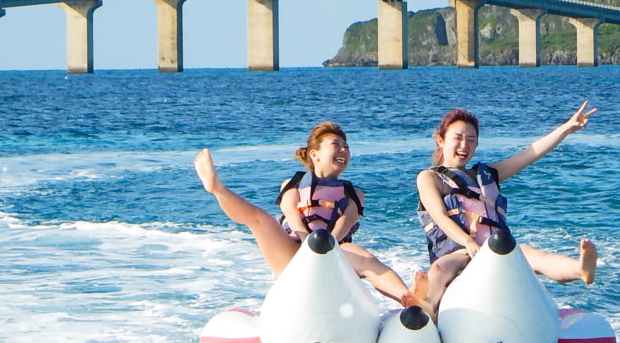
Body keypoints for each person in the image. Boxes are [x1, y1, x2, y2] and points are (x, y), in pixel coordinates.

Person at [194, 122, 427, 306]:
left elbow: (347, 220)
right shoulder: (293, 183)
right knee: (260, 220)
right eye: (336, 145)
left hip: (336, 253)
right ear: (314, 154)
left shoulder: (353, 193)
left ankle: (408, 298)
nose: (344, 150)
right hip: (294, 252)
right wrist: (307, 240)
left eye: (346, 147)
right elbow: (289, 211)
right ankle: (217, 188)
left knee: (366, 259)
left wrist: (328, 245)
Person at [416, 102, 599, 319]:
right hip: (459, 253)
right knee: (438, 270)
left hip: (496, 251)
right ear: (441, 140)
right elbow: (439, 216)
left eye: (471, 140)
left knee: (534, 255)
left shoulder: (487, 175)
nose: (464, 145)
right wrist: (468, 242)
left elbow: (529, 154)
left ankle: (580, 270)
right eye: (458, 138)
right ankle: (425, 312)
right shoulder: (429, 178)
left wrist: (567, 128)